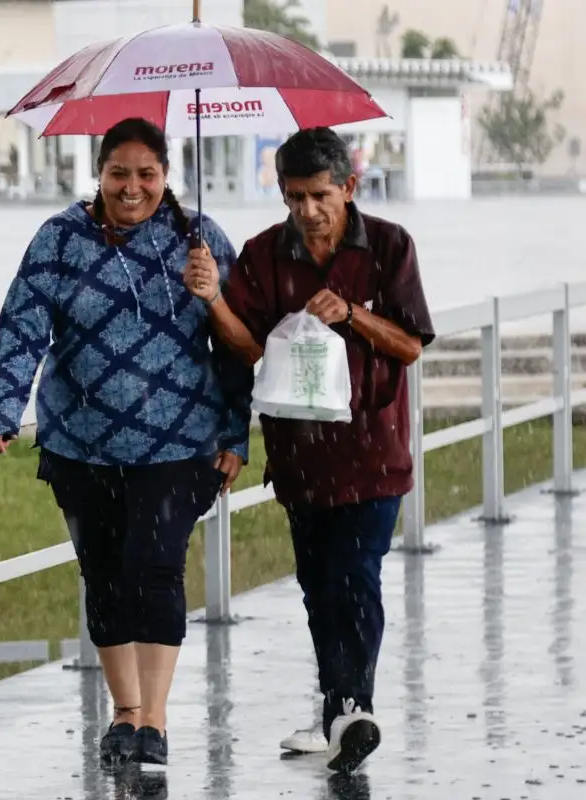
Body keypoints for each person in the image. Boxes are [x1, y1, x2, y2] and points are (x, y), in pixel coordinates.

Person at [0, 117, 251, 768]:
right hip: (80, 443)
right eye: (119, 174)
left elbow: (241, 346)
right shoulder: (59, 240)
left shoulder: (201, 240)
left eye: (147, 175)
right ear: (99, 174)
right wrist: (3, 409)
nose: (133, 188)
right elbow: (22, 326)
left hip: (180, 444)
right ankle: (124, 712)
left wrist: (236, 431)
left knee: (155, 570)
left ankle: (154, 721)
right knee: (103, 578)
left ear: (167, 176)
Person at [184, 127, 435, 774]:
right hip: (299, 457)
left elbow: (410, 345)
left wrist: (352, 313)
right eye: (294, 197)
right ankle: (339, 714)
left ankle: (354, 704)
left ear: (349, 187)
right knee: (318, 587)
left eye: (320, 195)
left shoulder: (388, 247)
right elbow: (247, 348)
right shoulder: (265, 254)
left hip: (374, 449)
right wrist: (213, 297)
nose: (307, 211)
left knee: (357, 576)